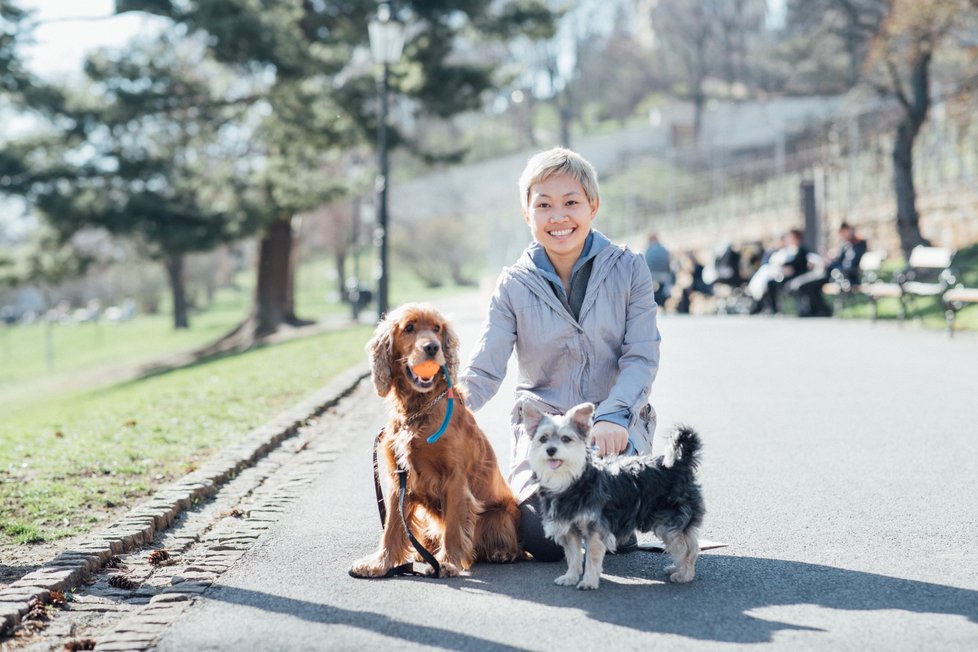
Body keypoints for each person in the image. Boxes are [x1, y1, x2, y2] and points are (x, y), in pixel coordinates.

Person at [459, 147, 660, 561]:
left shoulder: (630, 268)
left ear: (593, 206)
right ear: (526, 213)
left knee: (611, 520)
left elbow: (641, 357)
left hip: (609, 427)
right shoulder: (512, 284)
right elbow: (484, 368)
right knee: (541, 536)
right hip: (544, 430)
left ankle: (615, 524)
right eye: (544, 205)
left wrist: (613, 417)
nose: (558, 217)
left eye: (571, 203)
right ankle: (592, 527)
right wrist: (447, 405)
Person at [789, 222, 867, 317]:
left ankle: (822, 310)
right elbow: (841, 260)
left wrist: (831, 263)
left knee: (804, 285)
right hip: (830, 272)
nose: (842, 235)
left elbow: (848, 265)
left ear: (849, 230)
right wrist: (830, 258)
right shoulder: (846, 244)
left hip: (839, 275)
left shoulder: (857, 244)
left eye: (844, 232)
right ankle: (815, 310)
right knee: (800, 284)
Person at [747, 228, 810, 314]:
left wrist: (785, 266)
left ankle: (766, 307)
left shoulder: (801, 249)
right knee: (768, 282)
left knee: (771, 282)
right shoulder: (787, 249)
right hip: (786, 274)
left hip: (796, 274)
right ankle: (767, 306)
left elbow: (797, 265)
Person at [644, 232, 673, 307]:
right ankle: (664, 300)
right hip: (664, 275)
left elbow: (645, 264)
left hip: (651, 275)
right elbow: (668, 262)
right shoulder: (663, 248)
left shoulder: (648, 250)